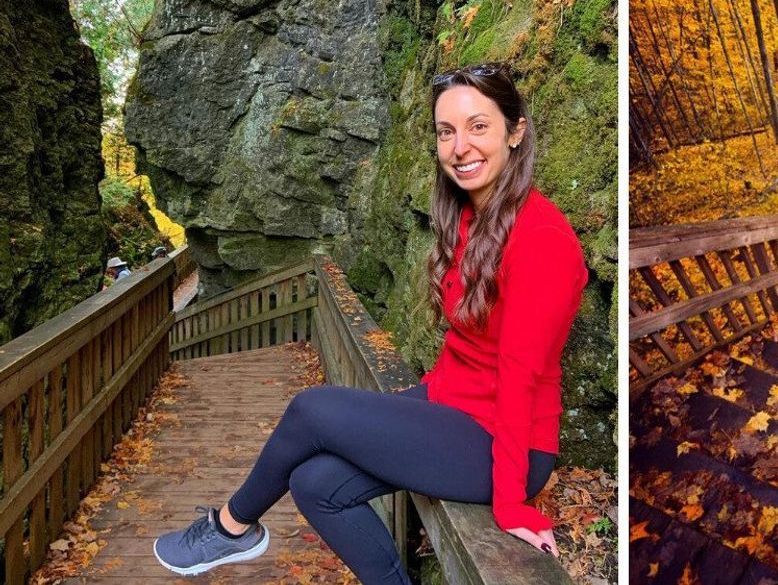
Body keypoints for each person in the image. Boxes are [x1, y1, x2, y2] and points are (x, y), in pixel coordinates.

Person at [151, 62, 587, 583]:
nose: (460, 147)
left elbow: (519, 378)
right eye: (446, 131)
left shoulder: (543, 242)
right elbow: (470, 343)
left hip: (507, 442)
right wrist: (426, 400)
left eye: (478, 126)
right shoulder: (473, 216)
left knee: (312, 408)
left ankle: (232, 528)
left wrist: (512, 503)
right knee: (315, 485)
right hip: (458, 404)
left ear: (515, 133)